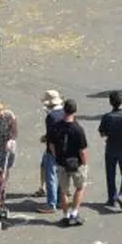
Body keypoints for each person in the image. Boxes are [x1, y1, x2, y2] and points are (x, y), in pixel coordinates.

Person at [48, 98, 88, 226]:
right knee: (80, 187)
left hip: (61, 162)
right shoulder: (78, 129)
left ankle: (65, 215)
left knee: (63, 191)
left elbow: (51, 145)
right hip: (76, 163)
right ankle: (74, 213)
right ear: (75, 111)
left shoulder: (56, 127)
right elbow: (82, 150)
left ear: (64, 110)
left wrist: (57, 157)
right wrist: (85, 163)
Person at [37, 89, 64, 214]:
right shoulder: (64, 112)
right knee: (61, 174)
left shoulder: (51, 117)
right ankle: (60, 200)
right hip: (64, 148)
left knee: (51, 176)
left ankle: (51, 203)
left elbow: (51, 135)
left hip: (53, 149)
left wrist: (45, 139)